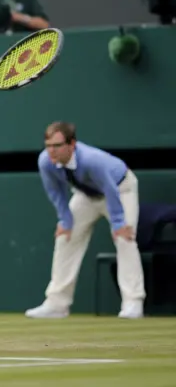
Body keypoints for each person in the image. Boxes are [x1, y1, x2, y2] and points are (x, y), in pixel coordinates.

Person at [26, 121, 145, 319]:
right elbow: (56, 193)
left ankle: (133, 303)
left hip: (120, 189)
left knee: (125, 238)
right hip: (86, 195)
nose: (51, 151)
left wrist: (118, 223)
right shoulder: (45, 161)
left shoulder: (91, 160)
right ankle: (57, 303)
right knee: (65, 237)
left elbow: (110, 188)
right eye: (48, 146)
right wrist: (65, 220)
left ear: (72, 144)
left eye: (57, 146)